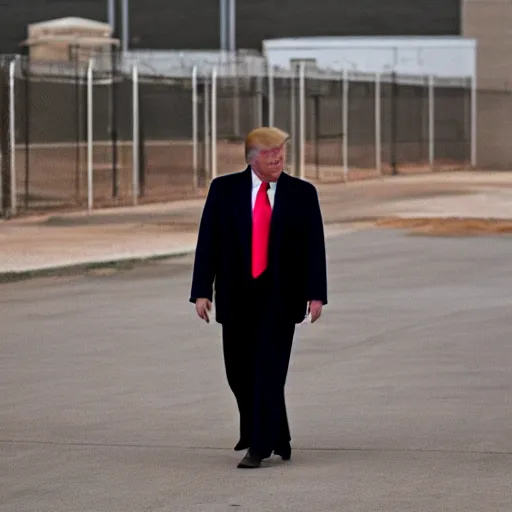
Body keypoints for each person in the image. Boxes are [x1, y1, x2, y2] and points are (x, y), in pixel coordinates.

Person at [189, 126, 327, 469]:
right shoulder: (223, 190)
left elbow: (314, 247)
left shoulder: (302, 194)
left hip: (280, 298)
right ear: (252, 158)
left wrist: (316, 295)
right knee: (238, 372)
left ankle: (260, 446)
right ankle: (275, 432)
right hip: (237, 296)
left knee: (269, 371)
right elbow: (208, 241)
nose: (278, 158)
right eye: (270, 154)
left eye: (281, 152)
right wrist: (201, 291)